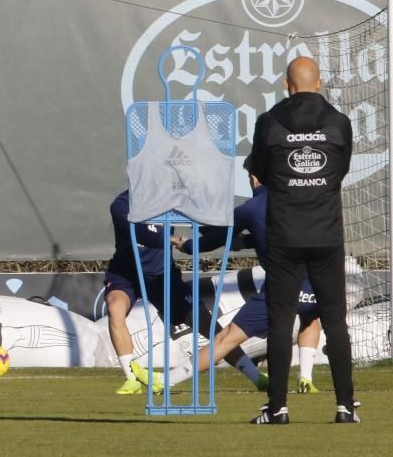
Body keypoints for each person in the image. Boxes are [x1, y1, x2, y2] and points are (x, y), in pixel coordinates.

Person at [246, 57, 357, 424]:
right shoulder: (339, 122)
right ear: (320, 83)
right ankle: (344, 407)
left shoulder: (269, 122)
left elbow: (259, 171)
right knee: (335, 321)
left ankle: (277, 409)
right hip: (326, 234)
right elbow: (339, 171)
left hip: (284, 235)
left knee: (281, 323)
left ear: (286, 84)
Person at [138, 172, 323, 392]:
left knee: (225, 338)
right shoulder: (300, 201)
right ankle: (306, 379)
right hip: (315, 281)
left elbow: (213, 240)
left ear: (255, 177)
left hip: (281, 285)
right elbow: (272, 236)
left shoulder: (252, 207)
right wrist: (243, 241)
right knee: (310, 317)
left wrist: (186, 245)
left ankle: (164, 381)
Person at [103, 191, 262, 395]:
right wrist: (176, 239)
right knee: (115, 306)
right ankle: (131, 379)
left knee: (207, 324)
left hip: (162, 276)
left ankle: (257, 377)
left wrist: (224, 237)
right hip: (126, 274)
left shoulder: (171, 198)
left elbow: (201, 222)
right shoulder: (122, 203)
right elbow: (140, 233)